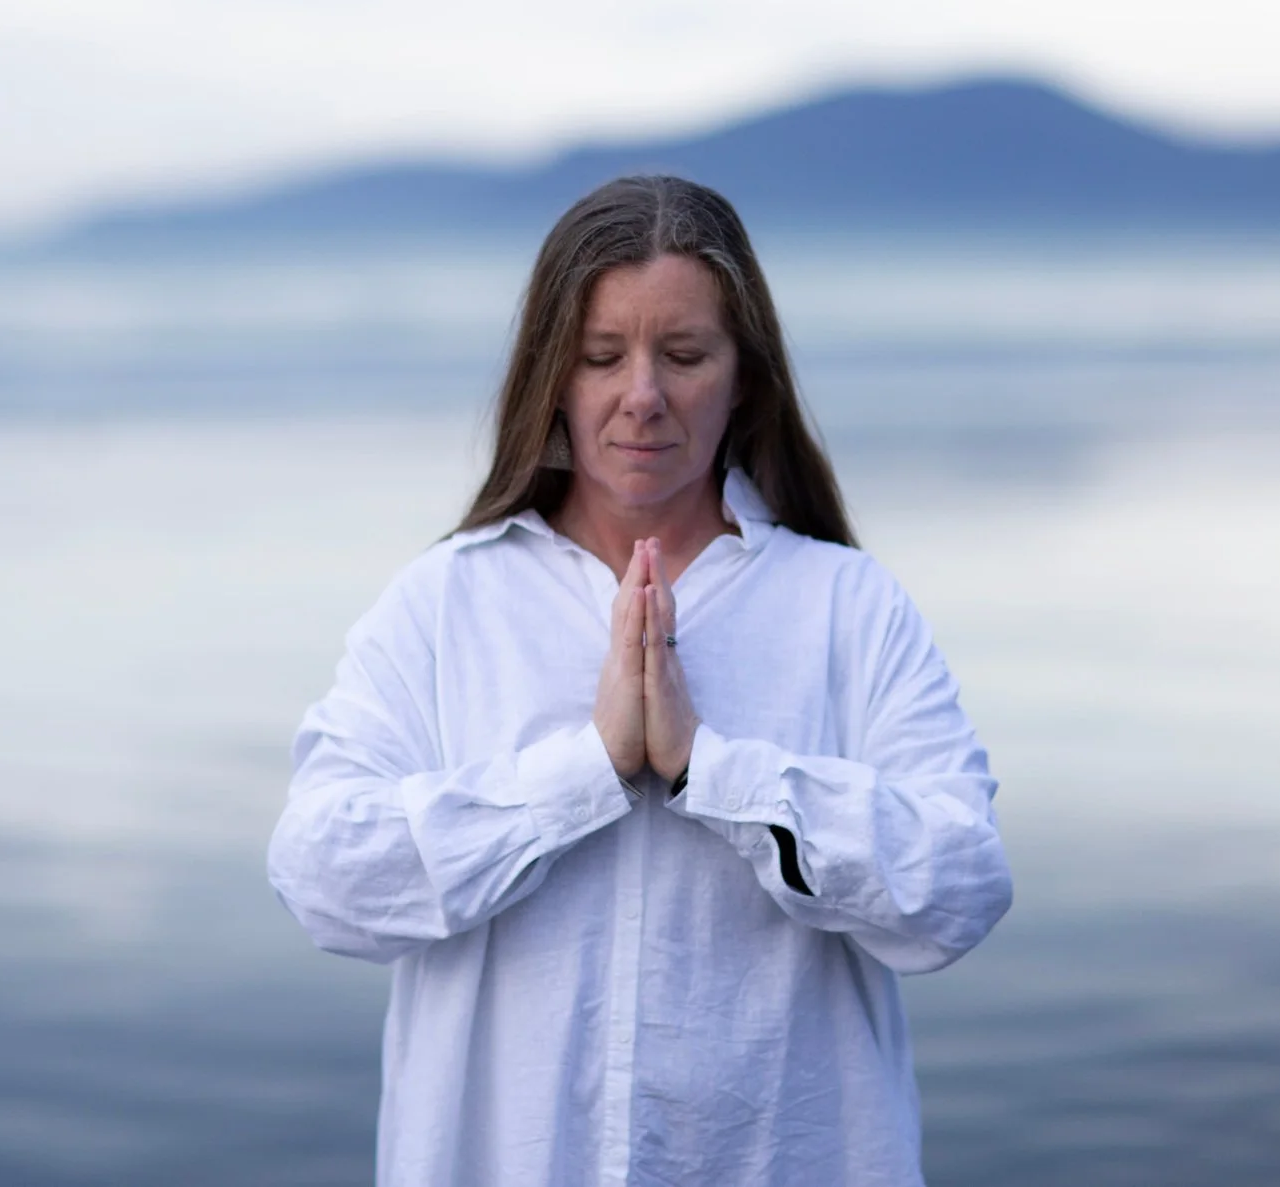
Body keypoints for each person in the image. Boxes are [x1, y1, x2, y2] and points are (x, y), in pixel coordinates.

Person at [267, 174, 1012, 1187]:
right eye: (601, 356)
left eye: (685, 355)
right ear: (550, 376)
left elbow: (960, 885)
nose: (643, 394)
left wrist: (717, 771)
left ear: (744, 376)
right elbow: (320, 873)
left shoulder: (845, 604)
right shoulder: (444, 602)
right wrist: (587, 771)